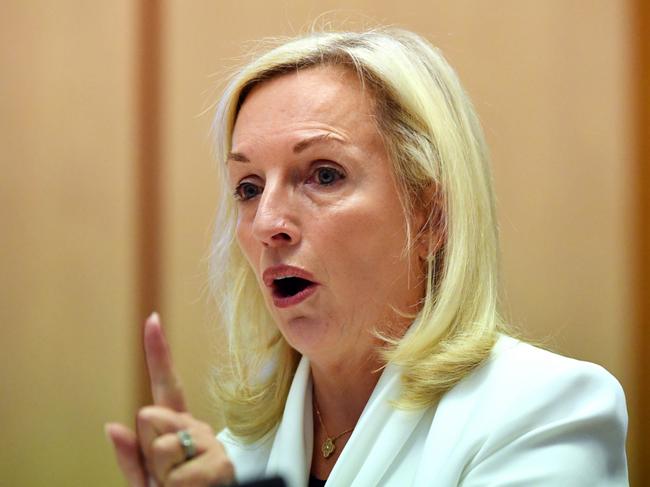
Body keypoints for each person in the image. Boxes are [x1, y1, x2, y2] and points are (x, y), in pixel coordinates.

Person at [106, 28, 629, 486]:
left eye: (323, 175)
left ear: (432, 218)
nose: (267, 224)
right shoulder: (234, 459)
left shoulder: (544, 412)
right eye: (247, 187)